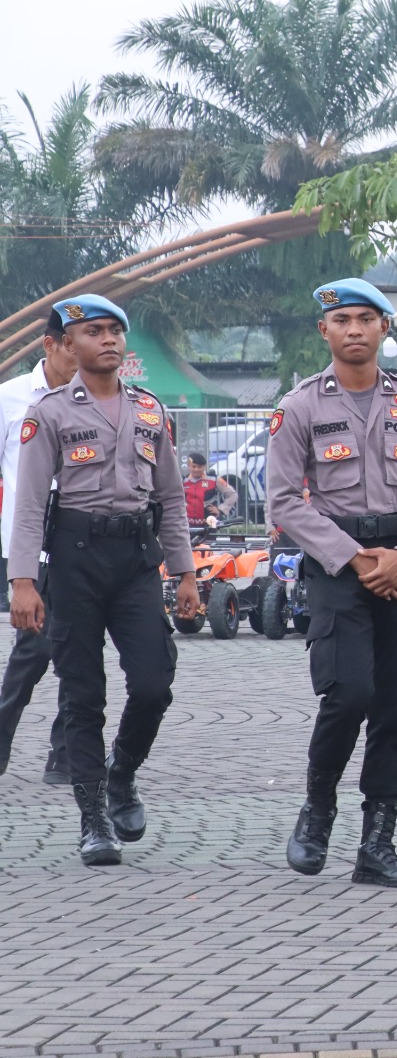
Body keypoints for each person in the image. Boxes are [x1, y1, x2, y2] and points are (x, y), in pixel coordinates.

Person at [266, 278, 397, 889]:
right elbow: (286, 501)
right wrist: (355, 559)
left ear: (384, 330)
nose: (353, 329)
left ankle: (377, 845)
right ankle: (318, 810)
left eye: (365, 319)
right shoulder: (299, 408)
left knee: (394, 705)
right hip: (337, 566)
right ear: (324, 331)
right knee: (349, 692)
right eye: (341, 319)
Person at [8, 294, 201, 866]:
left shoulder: (149, 410)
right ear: (68, 345)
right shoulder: (47, 413)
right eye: (94, 332)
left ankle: (123, 773)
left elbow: (169, 497)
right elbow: (27, 506)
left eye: (115, 330)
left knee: (152, 683)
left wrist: (186, 574)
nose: (109, 340)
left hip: (137, 558)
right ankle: (94, 820)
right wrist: (23, 580)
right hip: (74, 557)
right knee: (82, 692)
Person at [0, 308, 76, 781]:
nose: (87, 352)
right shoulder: (10, 398)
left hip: (84, 543)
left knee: (81, 650)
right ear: (50, 345)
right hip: (31, 548)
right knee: (35, 650)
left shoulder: (96, 397)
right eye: (75, 343)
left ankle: (67, 752)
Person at [183, 452, 237, 525]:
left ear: (204, 466)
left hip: (209, 523)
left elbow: (232, 495)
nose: (196, 469)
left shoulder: (214, 479)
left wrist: (220, 509)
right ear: (189, 466)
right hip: (188, 525)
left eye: (199, 467)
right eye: (193, 466)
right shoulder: (183, 481)